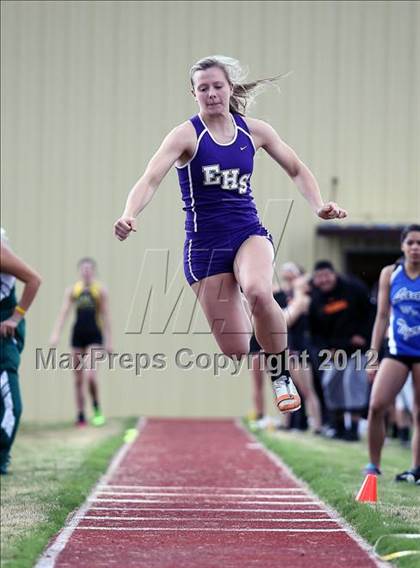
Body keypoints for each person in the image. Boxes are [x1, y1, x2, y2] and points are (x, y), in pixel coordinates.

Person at [113, 55, 347, 413]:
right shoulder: (186, 135)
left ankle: (279, 371)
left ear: (230, 88)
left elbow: (297, 169)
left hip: (247, 232)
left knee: (257, 289)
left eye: (217, 86)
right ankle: (258, 313)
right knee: (237, 348)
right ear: (193, 94)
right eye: (202, 88)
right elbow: (150, 178)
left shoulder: (255, 131)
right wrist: (129, 214)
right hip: (205, 250)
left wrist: (317, 205)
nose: (211, 94)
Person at [365, 224, 420, 482]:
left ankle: (416, 469)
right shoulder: (390, 273)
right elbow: (382, 317)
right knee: (377, 405)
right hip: (397, 350)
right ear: (402, 246)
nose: (415, 248)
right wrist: (373, 355)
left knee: (418, 411)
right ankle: (374, 465)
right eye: (411, 242)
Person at [249, 263, 322, 432]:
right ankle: (288, 422)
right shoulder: (285, 295)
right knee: (285, 387)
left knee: (306, 389)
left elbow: (287, 319)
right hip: (286, 348)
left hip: (299, 349)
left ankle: (317, 425)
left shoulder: (303, 299)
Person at [309, 260, 373, 441]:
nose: (323, 280)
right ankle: (338, 427)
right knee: (331, 384)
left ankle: (352, 429)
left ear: (334, 274)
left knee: (353, 385)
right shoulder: (316, 299)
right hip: (333, 351)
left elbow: (371, 314)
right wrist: (325, 349)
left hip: (356, 349)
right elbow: (314, 331)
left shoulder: (354, 288)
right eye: (319, 277)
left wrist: (364, 336)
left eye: (326, 275)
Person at [50, 258, 111, 427]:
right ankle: (81, 414)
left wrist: (109, 341)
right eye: (83, 269)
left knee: (91, 376)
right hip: (77, 336)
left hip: (94, 336)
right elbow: (64, 312)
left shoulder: (100, 290)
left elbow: (106, 316)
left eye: (89, 269)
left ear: (93, 271)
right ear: (79, 272)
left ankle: (97, 408)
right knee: (77, 379)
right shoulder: (73, 290)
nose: (86, 272)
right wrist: (56, 334)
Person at [0, 228, 42, 474]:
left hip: (5, 332)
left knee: (10, 403)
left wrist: (15, 318)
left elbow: (35, 279)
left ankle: (1, 454)